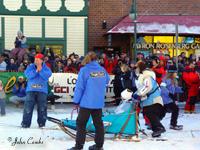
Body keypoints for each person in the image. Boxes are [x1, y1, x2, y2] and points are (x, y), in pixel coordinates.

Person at [68, 52, 110, 150]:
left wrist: (76, 101)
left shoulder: (84, 70)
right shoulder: (102, 69)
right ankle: (99, 146)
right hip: (98, 103)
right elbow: (107, 80)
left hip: (86, 103)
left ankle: (79, 146)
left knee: (81, 124)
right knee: (98, 124)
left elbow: (79, 87)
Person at [133, 61, 165, 137]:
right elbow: (141, 87)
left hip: (153, 99)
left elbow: (147, 87)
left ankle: (159, 128)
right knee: (148, 113)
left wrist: (138, 94)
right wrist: (135, 94)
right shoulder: (141, 76)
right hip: (148, 100)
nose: (135, 69)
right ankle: (156, 129)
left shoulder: (147, 76)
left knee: (150, 113)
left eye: (136, 67)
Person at [21, 53, 52, 128]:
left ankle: (42, 123)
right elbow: (28, 75)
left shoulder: (46, 68)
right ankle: (25, 123)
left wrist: (41, 70)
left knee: (42, 108)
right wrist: (36, 71)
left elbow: (47, 75)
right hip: (31, 90)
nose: (36, 61)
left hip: (42, 91)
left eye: (38, 60)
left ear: (42, 60)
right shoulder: (30, 67)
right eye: (35, 59)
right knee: (28, 107)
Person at [160, 65, 183, 130]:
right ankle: (173, 124)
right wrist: (169, 94)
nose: (176, 73)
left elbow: (175, 89)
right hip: (165, 99)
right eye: (175, 72)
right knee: (175, 109)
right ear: (172, 73)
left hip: (169, 99)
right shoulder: (165, 80)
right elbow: (162, 88)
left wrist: (182, 89)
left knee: (162, 112)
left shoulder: (174, 80)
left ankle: (154, 123)